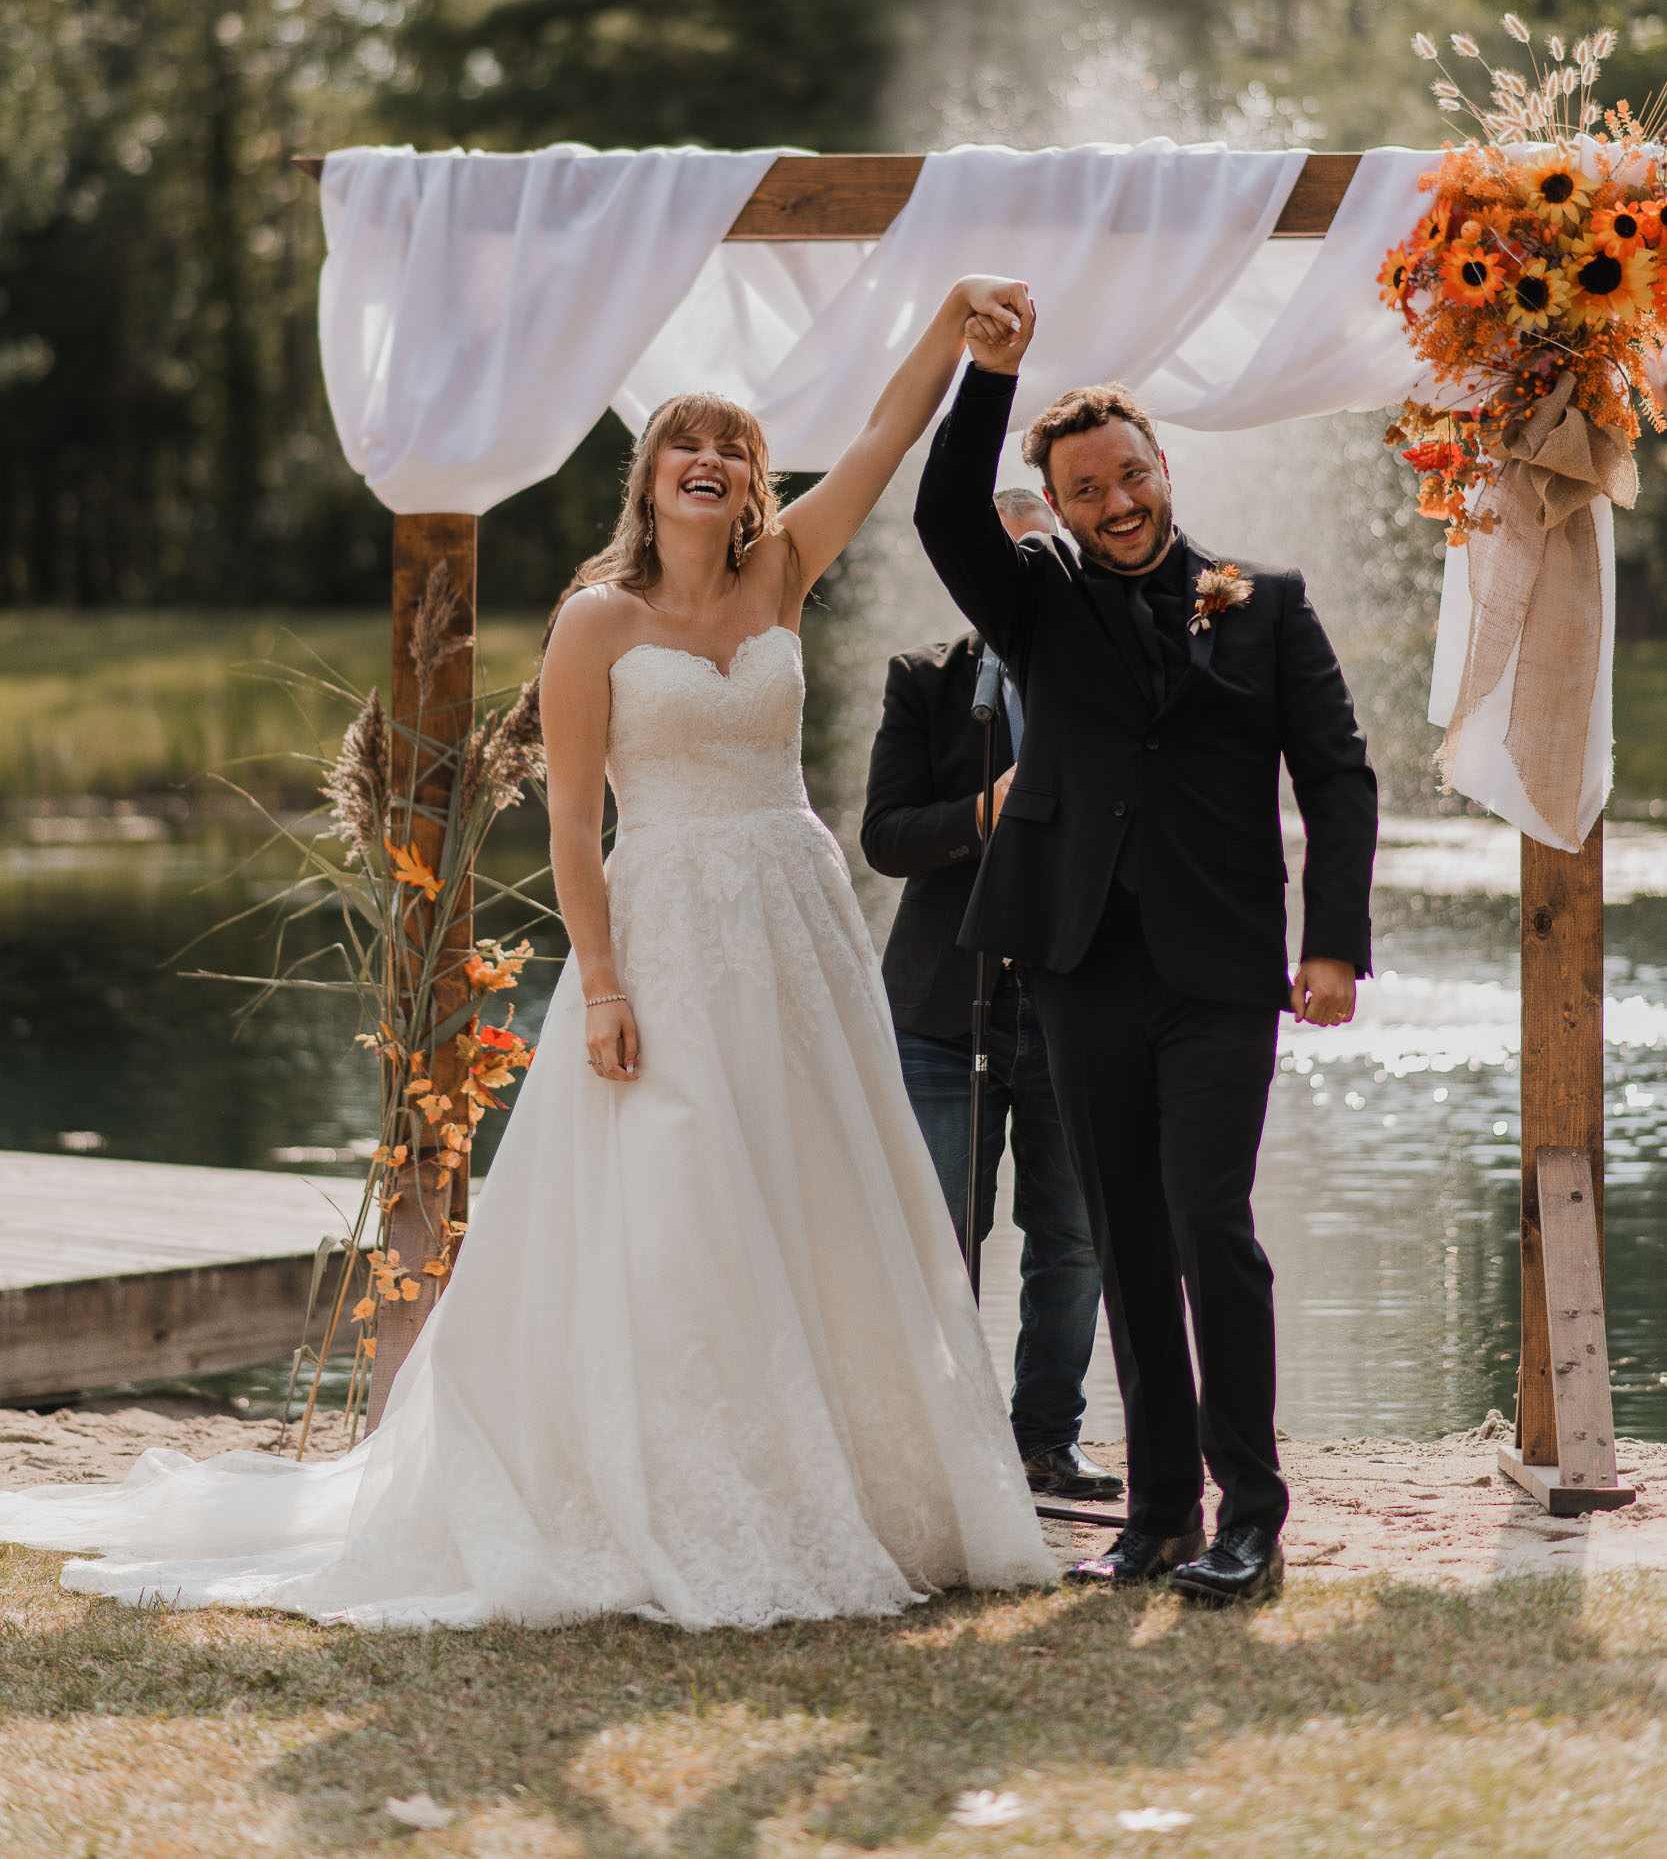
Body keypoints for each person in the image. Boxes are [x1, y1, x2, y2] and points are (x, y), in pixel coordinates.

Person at [0, 277, 1056, 1628]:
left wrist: (953, 329)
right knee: (676, 1202)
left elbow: (880, 437)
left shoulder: (783, 571)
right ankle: (670, 1488)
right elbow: (567, 825)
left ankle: (837, 1480)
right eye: (685, 442)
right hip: (665, 932)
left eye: (732, 449)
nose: (710, 460)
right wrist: (601, 986)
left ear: (751, 486)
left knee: (811, 1191)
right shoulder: (595, 622)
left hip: (792, 928)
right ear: (648, 478)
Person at [915, 330, 1376, 1611]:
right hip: (1079, 963)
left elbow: (1335, 776)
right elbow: (941, 508)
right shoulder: (1034, 602)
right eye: (1086, 489)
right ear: (1055, 504)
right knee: (1123, 1233)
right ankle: (1160, 1516)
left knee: (1206, 1222)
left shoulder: (1265, 601)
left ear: (1161, 463)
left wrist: (1330, 942)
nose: (1116, 503)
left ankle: (1251, 1517)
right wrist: (988, 374)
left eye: (1129, 475)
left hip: (1219, 966)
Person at [861, 487, 1121, 1504]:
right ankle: (943, 1440)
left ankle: (1046, 1438)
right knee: (938, 1235)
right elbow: (885, 837)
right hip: (940, 1009)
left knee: (1074, 1240)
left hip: (1074, 1008)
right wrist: (985, 809)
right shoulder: (926, 680)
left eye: (1045, 561)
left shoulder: (1116, 674)